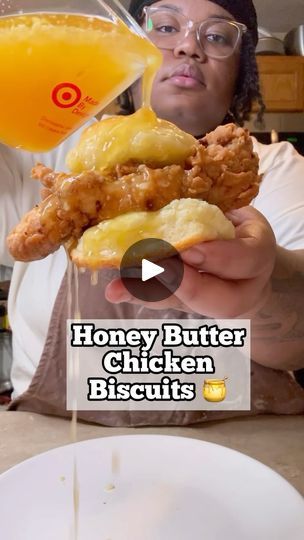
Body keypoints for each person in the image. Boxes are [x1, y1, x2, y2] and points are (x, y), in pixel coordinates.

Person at [1, 0, 304, 423]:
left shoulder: (270, 166)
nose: (188, 46)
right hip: (55, 446)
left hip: (235, 451)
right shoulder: (52, 152)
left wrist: (266, 287)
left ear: (241, 73)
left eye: (216, 36)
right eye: (164, 26)